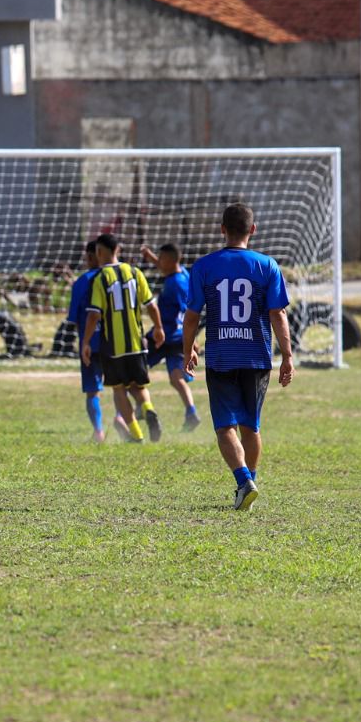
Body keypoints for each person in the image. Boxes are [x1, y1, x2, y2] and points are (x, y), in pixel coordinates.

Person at [182, 203, 293, 511]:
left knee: (224, 427)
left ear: (222, 229)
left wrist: (187, 349)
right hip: (257, 356)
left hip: (221, 356)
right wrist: (287, 355)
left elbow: (192, 316)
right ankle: (250, 483)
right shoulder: (267, 265)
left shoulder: (204, 266)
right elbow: (278, 313)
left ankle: (244, 482)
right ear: (252, 230)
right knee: (251, 427)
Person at [81, 233, 164, 443]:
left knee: (119, 390)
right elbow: (151, 305)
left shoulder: (100, 278)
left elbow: (94, 314)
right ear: (118, 250)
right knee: (138, 387)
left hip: (113, 347)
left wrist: (85, 342)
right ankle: (148, 408)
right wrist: (159, 328)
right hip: (137, 343)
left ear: (99, 252)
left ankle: (136, 434)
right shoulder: (135, 273)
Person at [142, 242, 202, 432]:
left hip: (163, 336)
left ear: (169, 260)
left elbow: (187, 313)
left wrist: (192, 342)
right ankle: (191, 412)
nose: (158, 262)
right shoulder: (182, 274)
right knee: (176, 378)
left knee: (137, 368)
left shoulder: (174, 285)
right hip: (178, 338)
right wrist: (150, 256)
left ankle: (138, 406)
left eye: (160, 259)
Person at [67, 240, 108, 442]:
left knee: (92, 390)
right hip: (115, 343)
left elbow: (75, 318)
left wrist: (83, 341)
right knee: (123, 387)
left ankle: (98, 431)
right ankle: (124, 420)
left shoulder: (82, 282)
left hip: (90, 344)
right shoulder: (114, 278)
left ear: (92, 256)